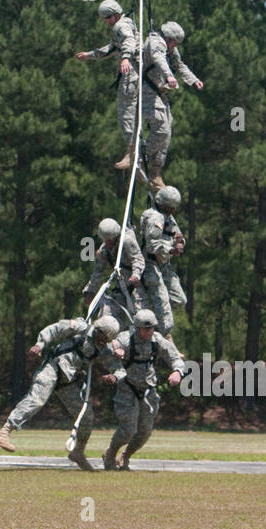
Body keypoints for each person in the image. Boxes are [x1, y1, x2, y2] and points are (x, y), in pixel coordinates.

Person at [0, 315, 123, 469]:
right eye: (103, 337)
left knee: (86, 416)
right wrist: (40, 344)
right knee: (37, 400)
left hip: (67, 381)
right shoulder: (80, 328)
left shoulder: (103, 349)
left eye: (108, 339)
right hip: (53, 368)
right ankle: (4, 432)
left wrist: (114, 377)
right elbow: (54, 329)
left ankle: (78, 452)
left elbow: (119, 369)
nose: (104, 341)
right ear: (98, 329)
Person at [102, 309, 186, 471]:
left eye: (152, 328)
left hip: (148, 389)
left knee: (145, 432)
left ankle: (125, 456)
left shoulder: (157, 340)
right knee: (128, 429)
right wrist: (115, 349)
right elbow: (110, 345)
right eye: (146, 329)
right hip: (127, 388)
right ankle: (110, 454)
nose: (150, 331)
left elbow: (175, 357)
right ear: (138, 328)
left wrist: (177, 372)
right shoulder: (126, 339)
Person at [75, 0, 141, 169]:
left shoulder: (121, 27)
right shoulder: (125, 23)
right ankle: (137, 151)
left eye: (106, 18)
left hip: (131, 73)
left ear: (113, 15)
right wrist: (89, 55)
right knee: (134, 111)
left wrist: (125, 57)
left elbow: (128, 41)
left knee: (126, 111)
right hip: (138, 72)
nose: (105, 22)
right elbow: (111, 48)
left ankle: (132, 153)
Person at [139, 21, 203, 189]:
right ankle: (139, 157)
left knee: (167, 132)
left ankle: (155, 171)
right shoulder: (155, 43)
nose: (175, 47)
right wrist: (169, 76)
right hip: (147, 91)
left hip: (159, 92)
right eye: (174, 43)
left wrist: (193, 80)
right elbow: (159, 59)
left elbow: (179, 65)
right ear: (168, 38)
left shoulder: (170, 48)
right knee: (161, 128)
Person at [137, 185, 187, 341]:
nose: (172, 210)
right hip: (150, 265)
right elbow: (152, 245)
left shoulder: (168, 217)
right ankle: (164, 339)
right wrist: (171, 248)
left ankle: (150, 314)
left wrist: (180, 243)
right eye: (169, 207)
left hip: (164, 265)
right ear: (162, 203)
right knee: (164, 307)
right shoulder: (154, 218)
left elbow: (178, 234)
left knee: (179, 299)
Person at [82, 218, 144, 323]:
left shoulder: (127, 241)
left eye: (111, 239)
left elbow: (137, 259)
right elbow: (98, 272)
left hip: (137, 287)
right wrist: (90, 290)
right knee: (105, 317)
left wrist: (136, 274)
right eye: (106, 240)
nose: (108, 242)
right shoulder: (104, 250)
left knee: (142, 319)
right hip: (120, 288)